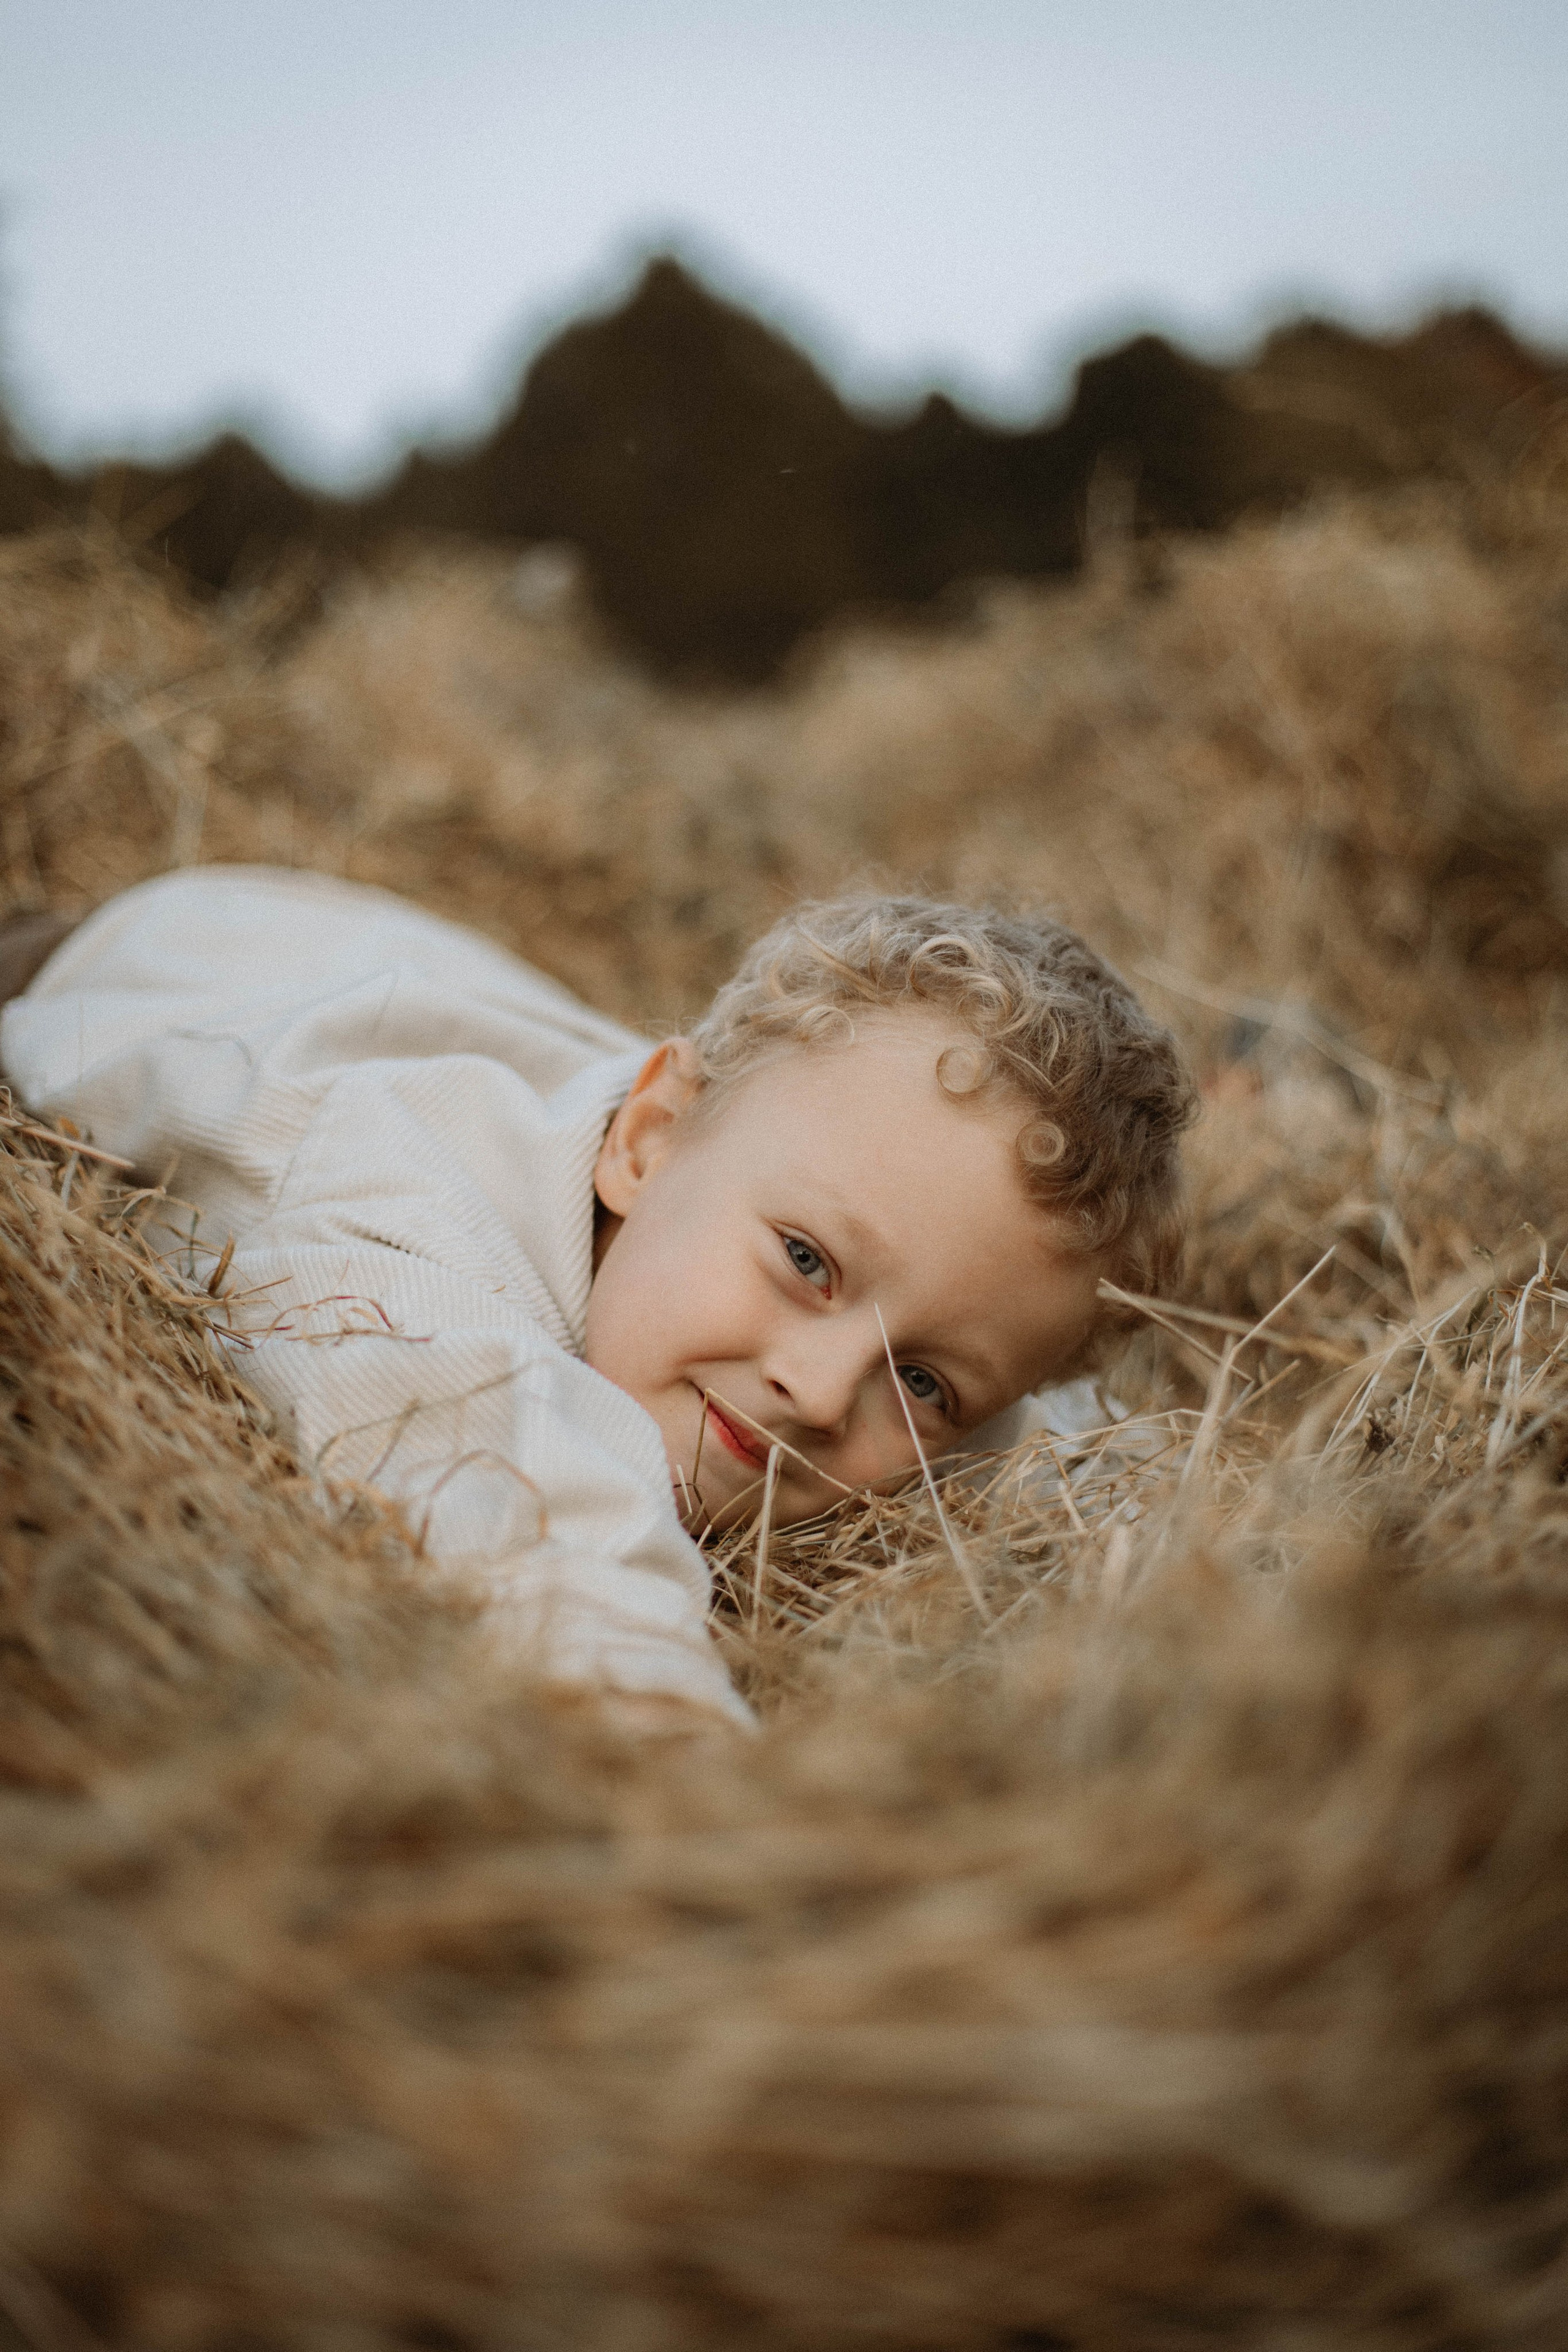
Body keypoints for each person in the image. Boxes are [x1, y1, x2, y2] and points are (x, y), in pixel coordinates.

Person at [0, 869, 1193, 1732]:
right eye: (806, 1263)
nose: (820, 1393)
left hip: (476, 996)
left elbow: (1049, 1451)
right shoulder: (392, 1198)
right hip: (164, 952)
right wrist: (666, 1746)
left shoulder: (788, 1200)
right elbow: (504, 1487)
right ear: (645, 1139)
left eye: (921, 1382)